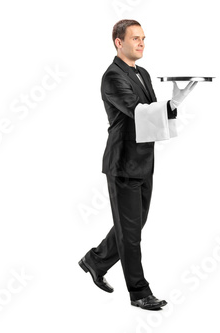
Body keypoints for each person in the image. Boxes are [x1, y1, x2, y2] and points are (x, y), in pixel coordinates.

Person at [79, 19, 197, 310]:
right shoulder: (112, 77)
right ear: (119, 42)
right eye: (135, 38)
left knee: (133, 225)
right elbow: (136, 113)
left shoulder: (143, 73)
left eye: (143, 38)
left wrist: (175, 102)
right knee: (130, 234)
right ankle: (139, 293)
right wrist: (166, 107)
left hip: (144, 161)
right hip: (122, 164)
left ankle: (95, 260)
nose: (142, 42)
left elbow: (153, 115)